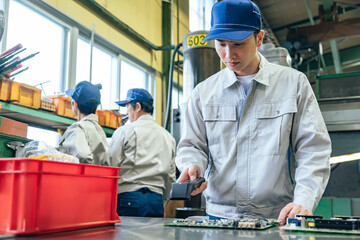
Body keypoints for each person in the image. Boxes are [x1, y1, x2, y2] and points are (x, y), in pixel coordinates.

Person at [175, 0, 331, 225]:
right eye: (221, 44)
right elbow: (192, 145)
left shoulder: (293, 84)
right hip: (219, 218)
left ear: (259, 38)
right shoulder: (204, 93)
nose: (228, 54)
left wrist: (304, 200)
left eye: (238, 44)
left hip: (276, 217)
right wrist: (192, 165)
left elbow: (313, 148)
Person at [109, 88, 176, 217]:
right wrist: (163, 201)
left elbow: (112, 166)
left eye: (127, 107)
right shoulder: (168, 137)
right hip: (156, 201)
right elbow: (171, 177)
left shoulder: (124, 131)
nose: (127, 113)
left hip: (127, 199)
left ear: (137, 106)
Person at [58, 81, 109, 166]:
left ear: (75, 104)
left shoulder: (77, 128)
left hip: (80, 178)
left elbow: (82, 156)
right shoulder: (99, 130)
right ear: (96, 106)